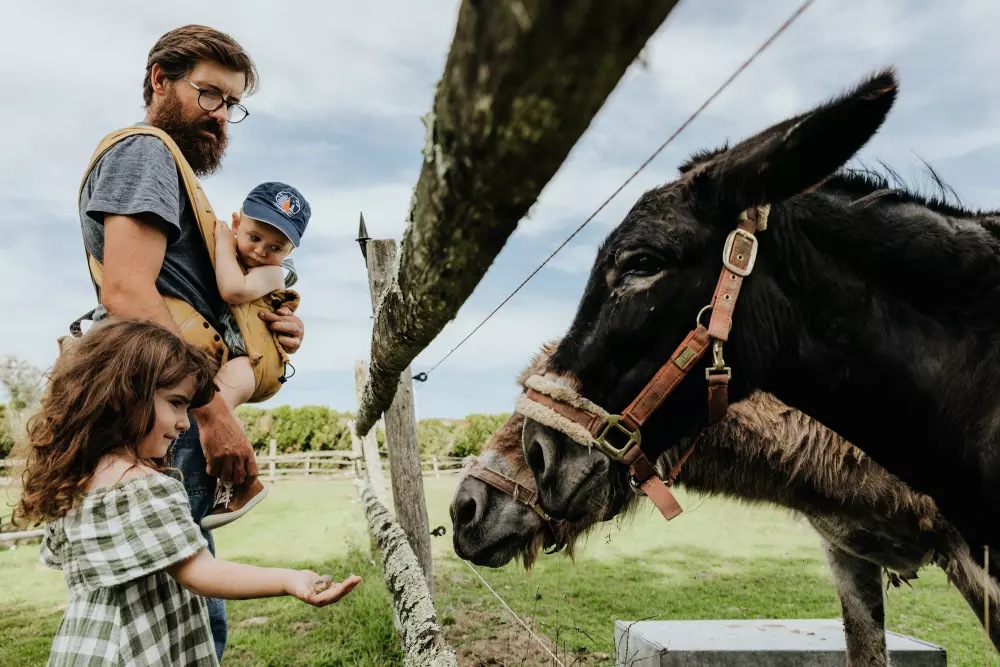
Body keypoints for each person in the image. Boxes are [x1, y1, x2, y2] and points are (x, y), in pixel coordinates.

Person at [76, 25, 305, 659]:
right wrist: (212, 410)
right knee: (174, 627)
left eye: (233, 105)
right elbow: (126, 292)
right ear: (159, 80)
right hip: (164, 410)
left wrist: (274, 325)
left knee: (186, 616)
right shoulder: (146, 151)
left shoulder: (174, 172)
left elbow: (188, 295)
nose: (222, 117)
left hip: (173, 411)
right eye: (210, 95)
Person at [15, 318, 361, 667]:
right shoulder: (144, 485)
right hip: (140, 653)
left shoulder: (75, 481)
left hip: (85, 648)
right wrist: (289, 579)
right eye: (176, 403)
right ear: (123, 396)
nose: (184, 422)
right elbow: (200, 573)